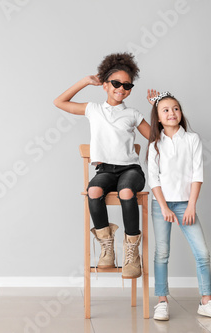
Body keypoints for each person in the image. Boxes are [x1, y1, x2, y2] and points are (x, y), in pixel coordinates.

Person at [54, 53, 151, 278]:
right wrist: (85, 81)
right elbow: (59, 102)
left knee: (127, 192)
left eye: (127, 85)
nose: (121, 88)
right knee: (93, 190)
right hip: (106, 170)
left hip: (130, 170)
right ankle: (107, 247)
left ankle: (132, 252)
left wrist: (157, 106)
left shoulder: (133, 114)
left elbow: (155, 138)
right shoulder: (93, 109)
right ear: (105, 85)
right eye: (116, 83)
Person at [147, 91, 211, 321]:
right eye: (165, 110)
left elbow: (197, 174)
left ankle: (206, 301)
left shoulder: (192, 139)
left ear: (181, 113)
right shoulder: (154, 143)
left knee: (202, 253)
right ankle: (161, 301)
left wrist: (191, 205)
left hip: (186, 203)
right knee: (162, 253)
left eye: (175, 108)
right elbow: (153, 178)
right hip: (161, 204)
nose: (172, 113)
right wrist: (163, 207)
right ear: (158, 117)